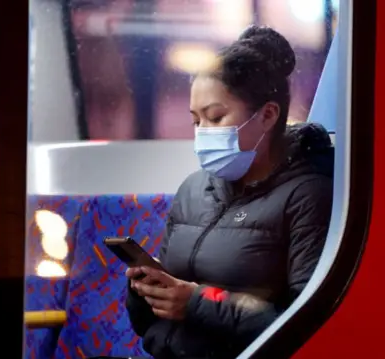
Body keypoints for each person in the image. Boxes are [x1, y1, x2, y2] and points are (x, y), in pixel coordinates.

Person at [125, 25, 334, 359]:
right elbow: (146, 325)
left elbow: (303, 326)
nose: (202, 134)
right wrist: (145, 292)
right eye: (196, 121)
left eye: (216, 117)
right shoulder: (193, 189)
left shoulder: (309, 195)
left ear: (267, 115)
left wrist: (196, 305)